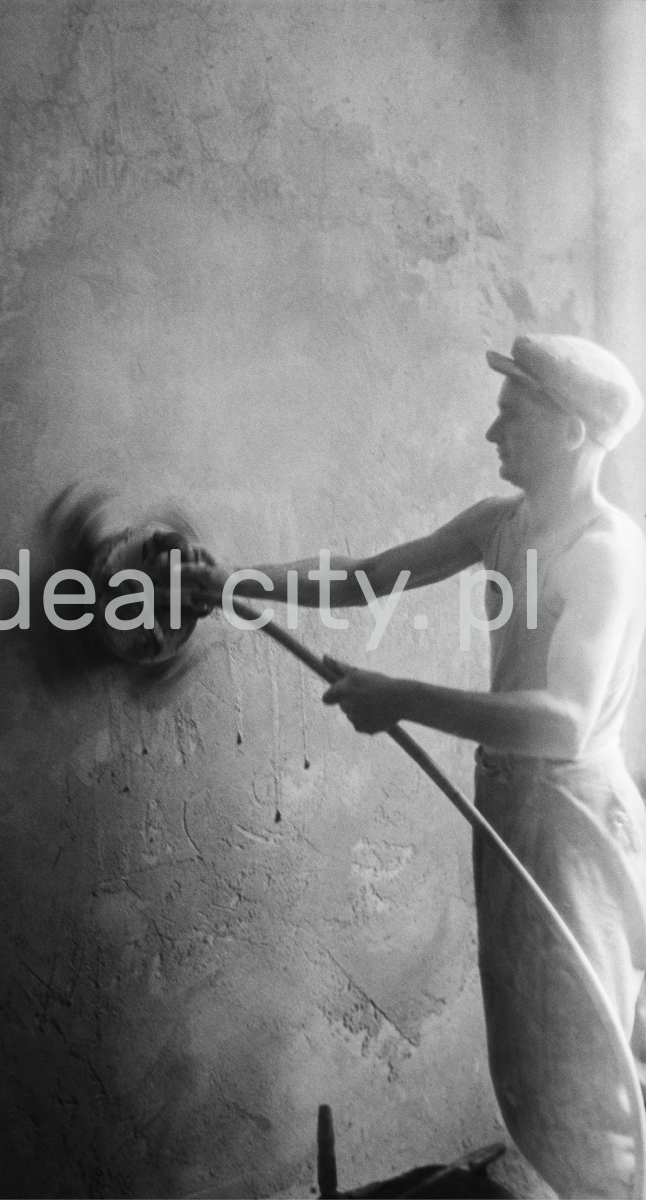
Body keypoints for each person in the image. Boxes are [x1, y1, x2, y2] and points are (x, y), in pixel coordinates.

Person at [183, 334, 646, 1198]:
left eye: (513, 413)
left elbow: (563, 723)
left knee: (580, 1068)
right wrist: (235, 582)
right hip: (513, 802)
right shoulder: (499, 525)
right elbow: (366, 577)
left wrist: (397, 695)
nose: (491, 431)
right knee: (533, 1052)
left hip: (571, 818)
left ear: (573, 432)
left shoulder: (604, 553)